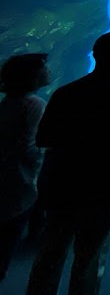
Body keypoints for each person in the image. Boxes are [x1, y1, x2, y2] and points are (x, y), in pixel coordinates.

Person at [26, 31, 110, 295]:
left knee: (50, 251)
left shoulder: (65, 92)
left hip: (61, 181)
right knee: (89, 255)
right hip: (103, 183)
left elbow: (43, 138)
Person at [0, 53, 50, 284]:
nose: (47, 71)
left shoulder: (8, 102)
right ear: (32, 76)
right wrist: (47, 152)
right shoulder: (34, 104)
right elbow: (27, 145)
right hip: (20, 183)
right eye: (43, 68)